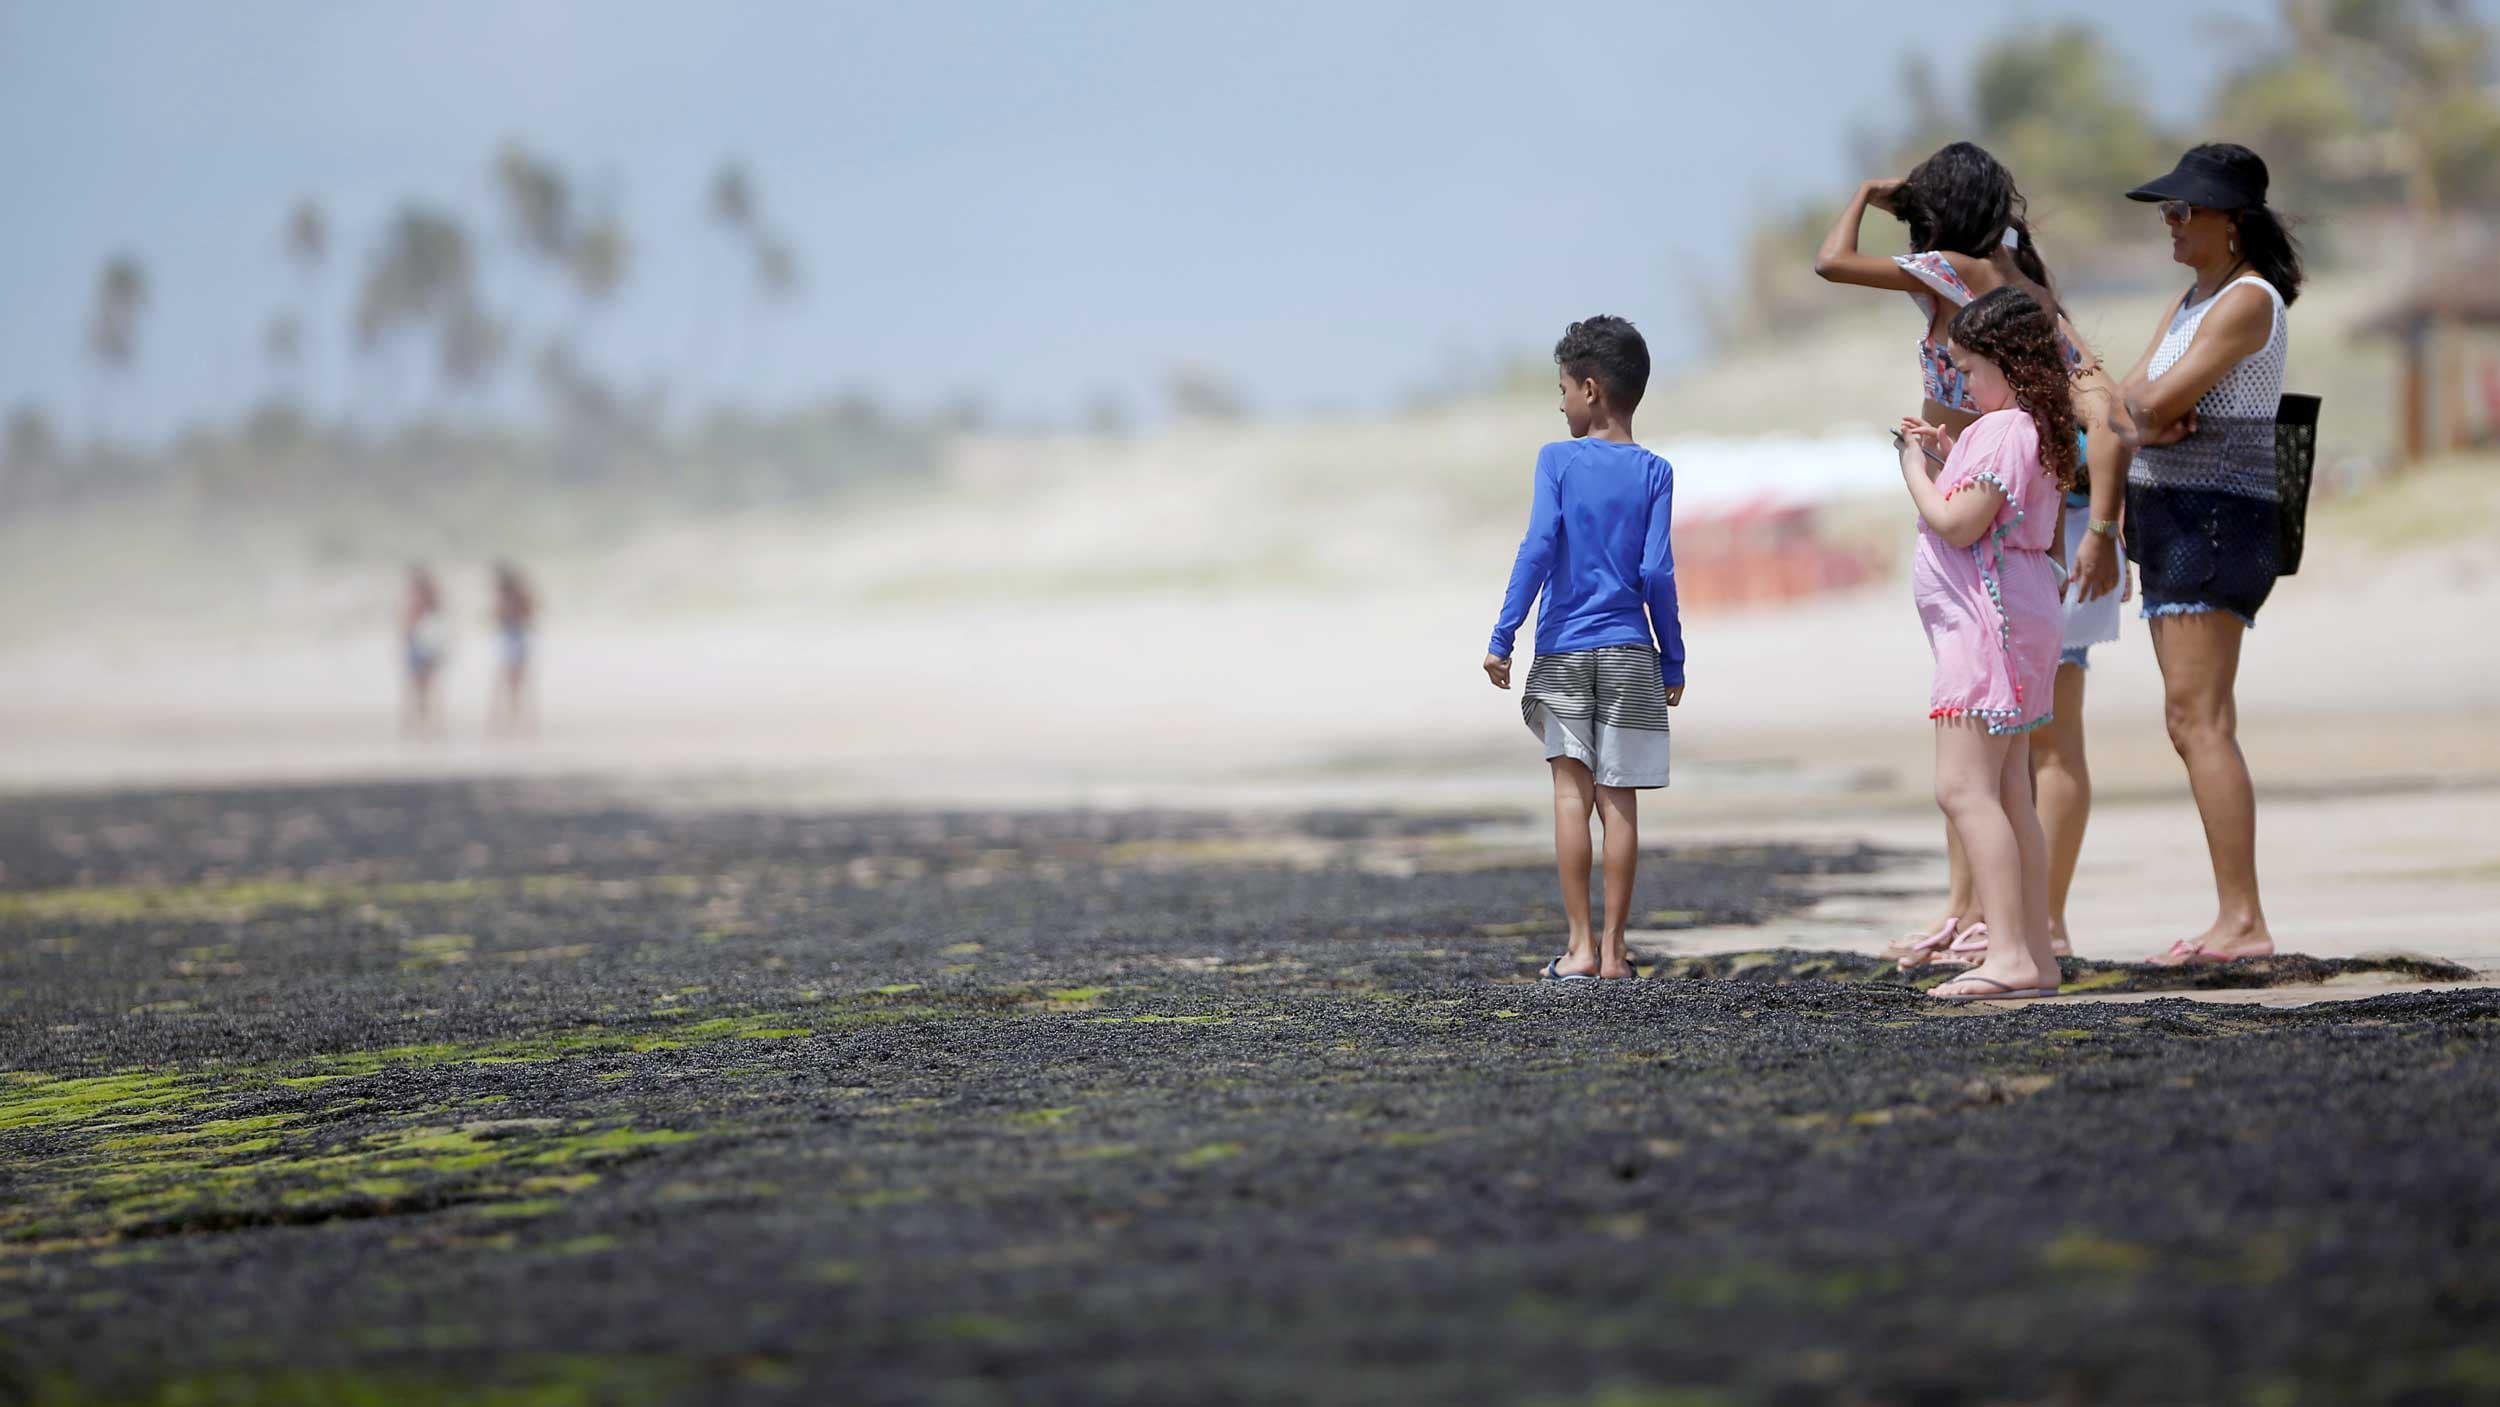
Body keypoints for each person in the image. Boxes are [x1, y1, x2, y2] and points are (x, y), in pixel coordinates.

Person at [1814, 141, 2127, 969]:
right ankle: (2003, 921)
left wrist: (1866, 192)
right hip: (2028, 517)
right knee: (2011, 752)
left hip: (1987, 518)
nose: (1956, 359)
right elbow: (2099, 400)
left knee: (1987, 758)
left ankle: (2016, 932)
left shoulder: (1950, 271)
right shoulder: (2026, 285)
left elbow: (1831, 263)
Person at [2115, 143, 2301, 966]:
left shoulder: (2246, 299)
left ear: (2233, 222)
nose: (2171, 226)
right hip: (2171, 512)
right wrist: (2145, 417)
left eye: (2184, 212)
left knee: (2201, 719)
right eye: (2167, 212)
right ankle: (2236, 914)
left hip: (2214, 516)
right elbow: (2123, 402)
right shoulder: (2194, 297)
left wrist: (2147, 414)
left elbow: (2143, 400)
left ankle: (2243, 919)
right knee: (2188, 720)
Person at [1482, 316, 1686, 984]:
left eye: (1564, 388)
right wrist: (1673, 659)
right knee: (1619, 803)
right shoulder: (1656, 472)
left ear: (1591, 389)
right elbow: (1657, 571)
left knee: (1572, 797)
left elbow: (1538, 547)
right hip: (1631, 651)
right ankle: (1618, 953)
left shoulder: (1557, 460)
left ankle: (1578, 948)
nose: (1560, 401)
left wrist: (1503, 635)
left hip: (1567, 648)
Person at [1896, 287, 2076, 1002]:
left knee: (1962, 787)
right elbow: (2001, 502)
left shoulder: (2006, 430)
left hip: (1988, 621)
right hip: (2016, 614)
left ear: (2006, 362)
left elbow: (1960, 522)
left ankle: (2007, 952)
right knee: (2007, 791)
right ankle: (2032, 949)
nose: (1963, 384)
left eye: (1969, 370)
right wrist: (1950, 450)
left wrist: (1911, 465)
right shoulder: (2023, 425)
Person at [490, 562, 538, 735]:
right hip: (511, 638)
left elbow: (527, 614)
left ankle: (516, 717)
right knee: (511, 680)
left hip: (514, 638)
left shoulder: (515, 596)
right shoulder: (509, 596)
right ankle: (512, 717)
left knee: (514, 680)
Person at [401, 564, 446, 738]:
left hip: (426, 645)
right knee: (417, 686)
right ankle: (418, 720)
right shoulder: (414, 599)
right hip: (416, 645)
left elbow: (434, 625)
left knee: (426, 686)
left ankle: (426, 720)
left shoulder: (428, 600)